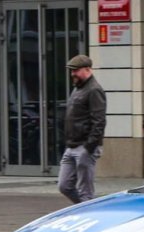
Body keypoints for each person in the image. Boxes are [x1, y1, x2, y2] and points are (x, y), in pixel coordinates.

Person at [59, 54, 107, 203]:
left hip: (85, 147)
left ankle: (89, 215)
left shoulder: (94, 90)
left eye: (76, 70)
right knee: (64, 185)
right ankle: (85, 210)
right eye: (71, 71)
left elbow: (99, 121)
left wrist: (89, 147)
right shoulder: (78, 89)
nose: (72, 74)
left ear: (87, 69)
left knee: (85, 191)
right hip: (71, 146)